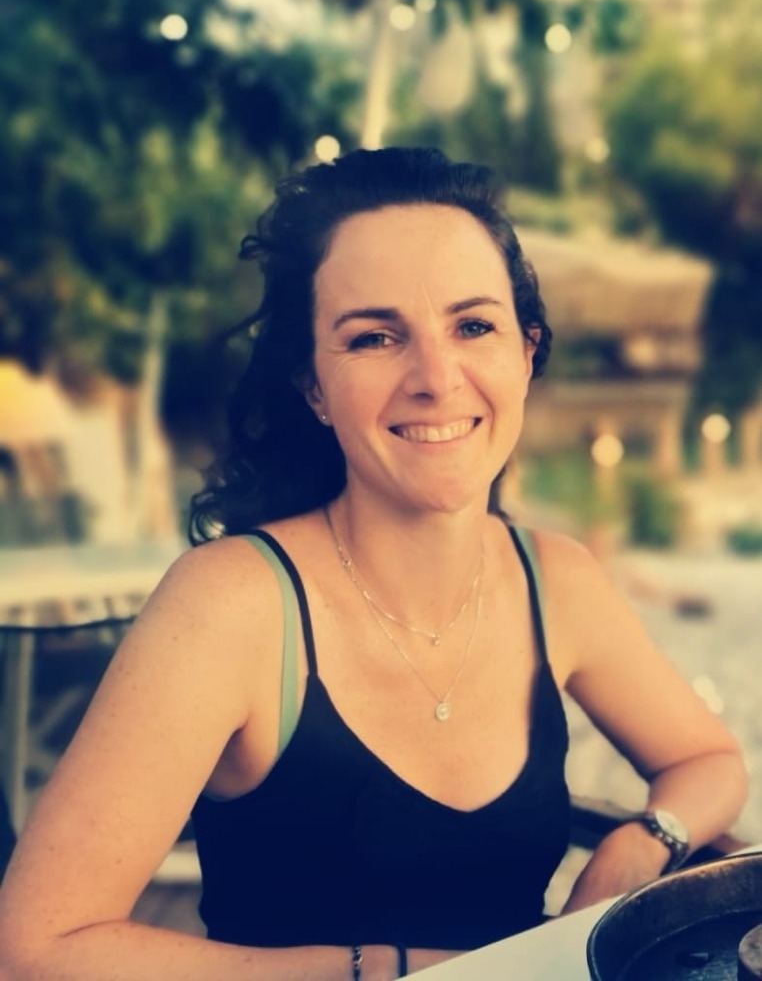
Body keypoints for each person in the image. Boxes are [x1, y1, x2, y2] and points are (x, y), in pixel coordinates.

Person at [0, 147, 748, 980]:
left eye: (473, 327)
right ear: (314, 388)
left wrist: (643, 842)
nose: (436, 377)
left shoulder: (555, 580)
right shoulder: (234, 606)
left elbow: (710, 762)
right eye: (375, 337)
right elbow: (35, 947)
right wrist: (393, 968)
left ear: (525, 353)